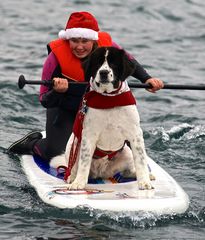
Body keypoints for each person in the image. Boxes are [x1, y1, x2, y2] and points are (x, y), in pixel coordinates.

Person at [8, 11, 164, 161]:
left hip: (99, 107)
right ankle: (32, 143)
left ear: (94, 40)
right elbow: (45, 100)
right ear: (67, 39)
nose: (79, 46)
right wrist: (58, 92)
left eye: (85, 41)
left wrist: (147, 79)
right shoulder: (54, 58)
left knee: (127, 143)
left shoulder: (108, 47)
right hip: (66, 109)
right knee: (56, 153)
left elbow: (130, 63)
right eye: (74, 40)